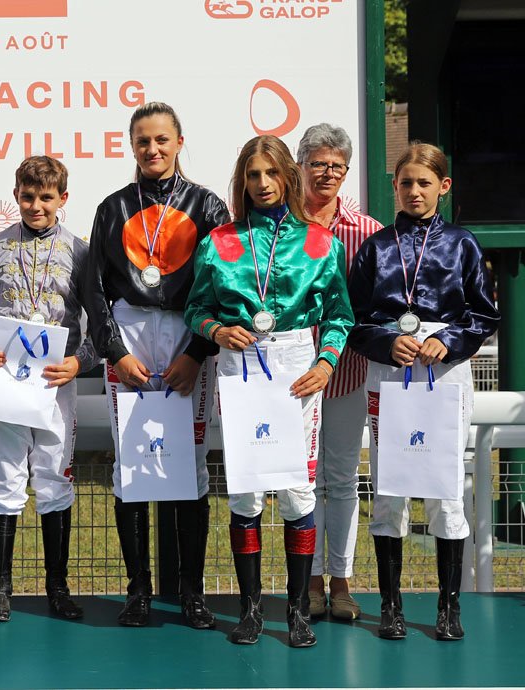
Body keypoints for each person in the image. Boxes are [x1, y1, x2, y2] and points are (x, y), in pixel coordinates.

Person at [184, 135, 352, 648]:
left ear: (288, 177)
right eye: (253, 174)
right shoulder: (218, 242)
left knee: (298, 490)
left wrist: (326, 362)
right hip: (240, 366)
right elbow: (196, 309)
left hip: (298, 367)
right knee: (246, 490)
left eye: (271, 173)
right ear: (242, 180)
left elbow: (339, 315)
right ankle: (251, 610)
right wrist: (216, 331)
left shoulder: (321, 243)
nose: (262, 183)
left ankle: (298, 612)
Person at [84, 102, 231, 629]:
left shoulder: (208, 206)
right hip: (131, 332)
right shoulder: (112, 208)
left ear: (179, 142)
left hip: (187, 329)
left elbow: (224, 285)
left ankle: (192, 592)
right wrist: (115, 351)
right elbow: (94, 289)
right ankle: (139, 592)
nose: (153, 149)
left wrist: (197, 352)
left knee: (191, 462)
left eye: (162, 139)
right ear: (132, 145)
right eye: (143, 140)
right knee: (131, 462)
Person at [348, 142, 499, 641]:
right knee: (389, 489)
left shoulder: (463, 244)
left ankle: (448, 607)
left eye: (425, 183)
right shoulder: (376, 247)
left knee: (446, 489)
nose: (415, 191)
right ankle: (390, 607)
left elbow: (483, 314)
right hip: (391, 371)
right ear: (394, 186)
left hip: (445, 372)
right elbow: (353, 320)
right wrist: (386, 341)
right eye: (406, 183)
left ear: (443, 187)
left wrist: (448, 341)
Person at [0, 156, 95, 622]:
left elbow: (102, 320)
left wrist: (80, 361)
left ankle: (58, 588)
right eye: (28, 196)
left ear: (63, 199)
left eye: (46, 198)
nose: (36, 206)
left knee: (55, 478)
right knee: (4, 479)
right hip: (4, 383)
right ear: (16, 195)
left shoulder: (80, 251)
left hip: (56, 384)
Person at [295, 124, 384, 621]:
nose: (327, 173)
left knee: (345, 479)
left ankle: (343, 582)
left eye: (337, 166)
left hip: (348, 372)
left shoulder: (366, 231)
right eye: (318, 164)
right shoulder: (285, 224)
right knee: (303, 481)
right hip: (291, 376)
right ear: (301, 166)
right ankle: (309, 583)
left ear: (346, 171)